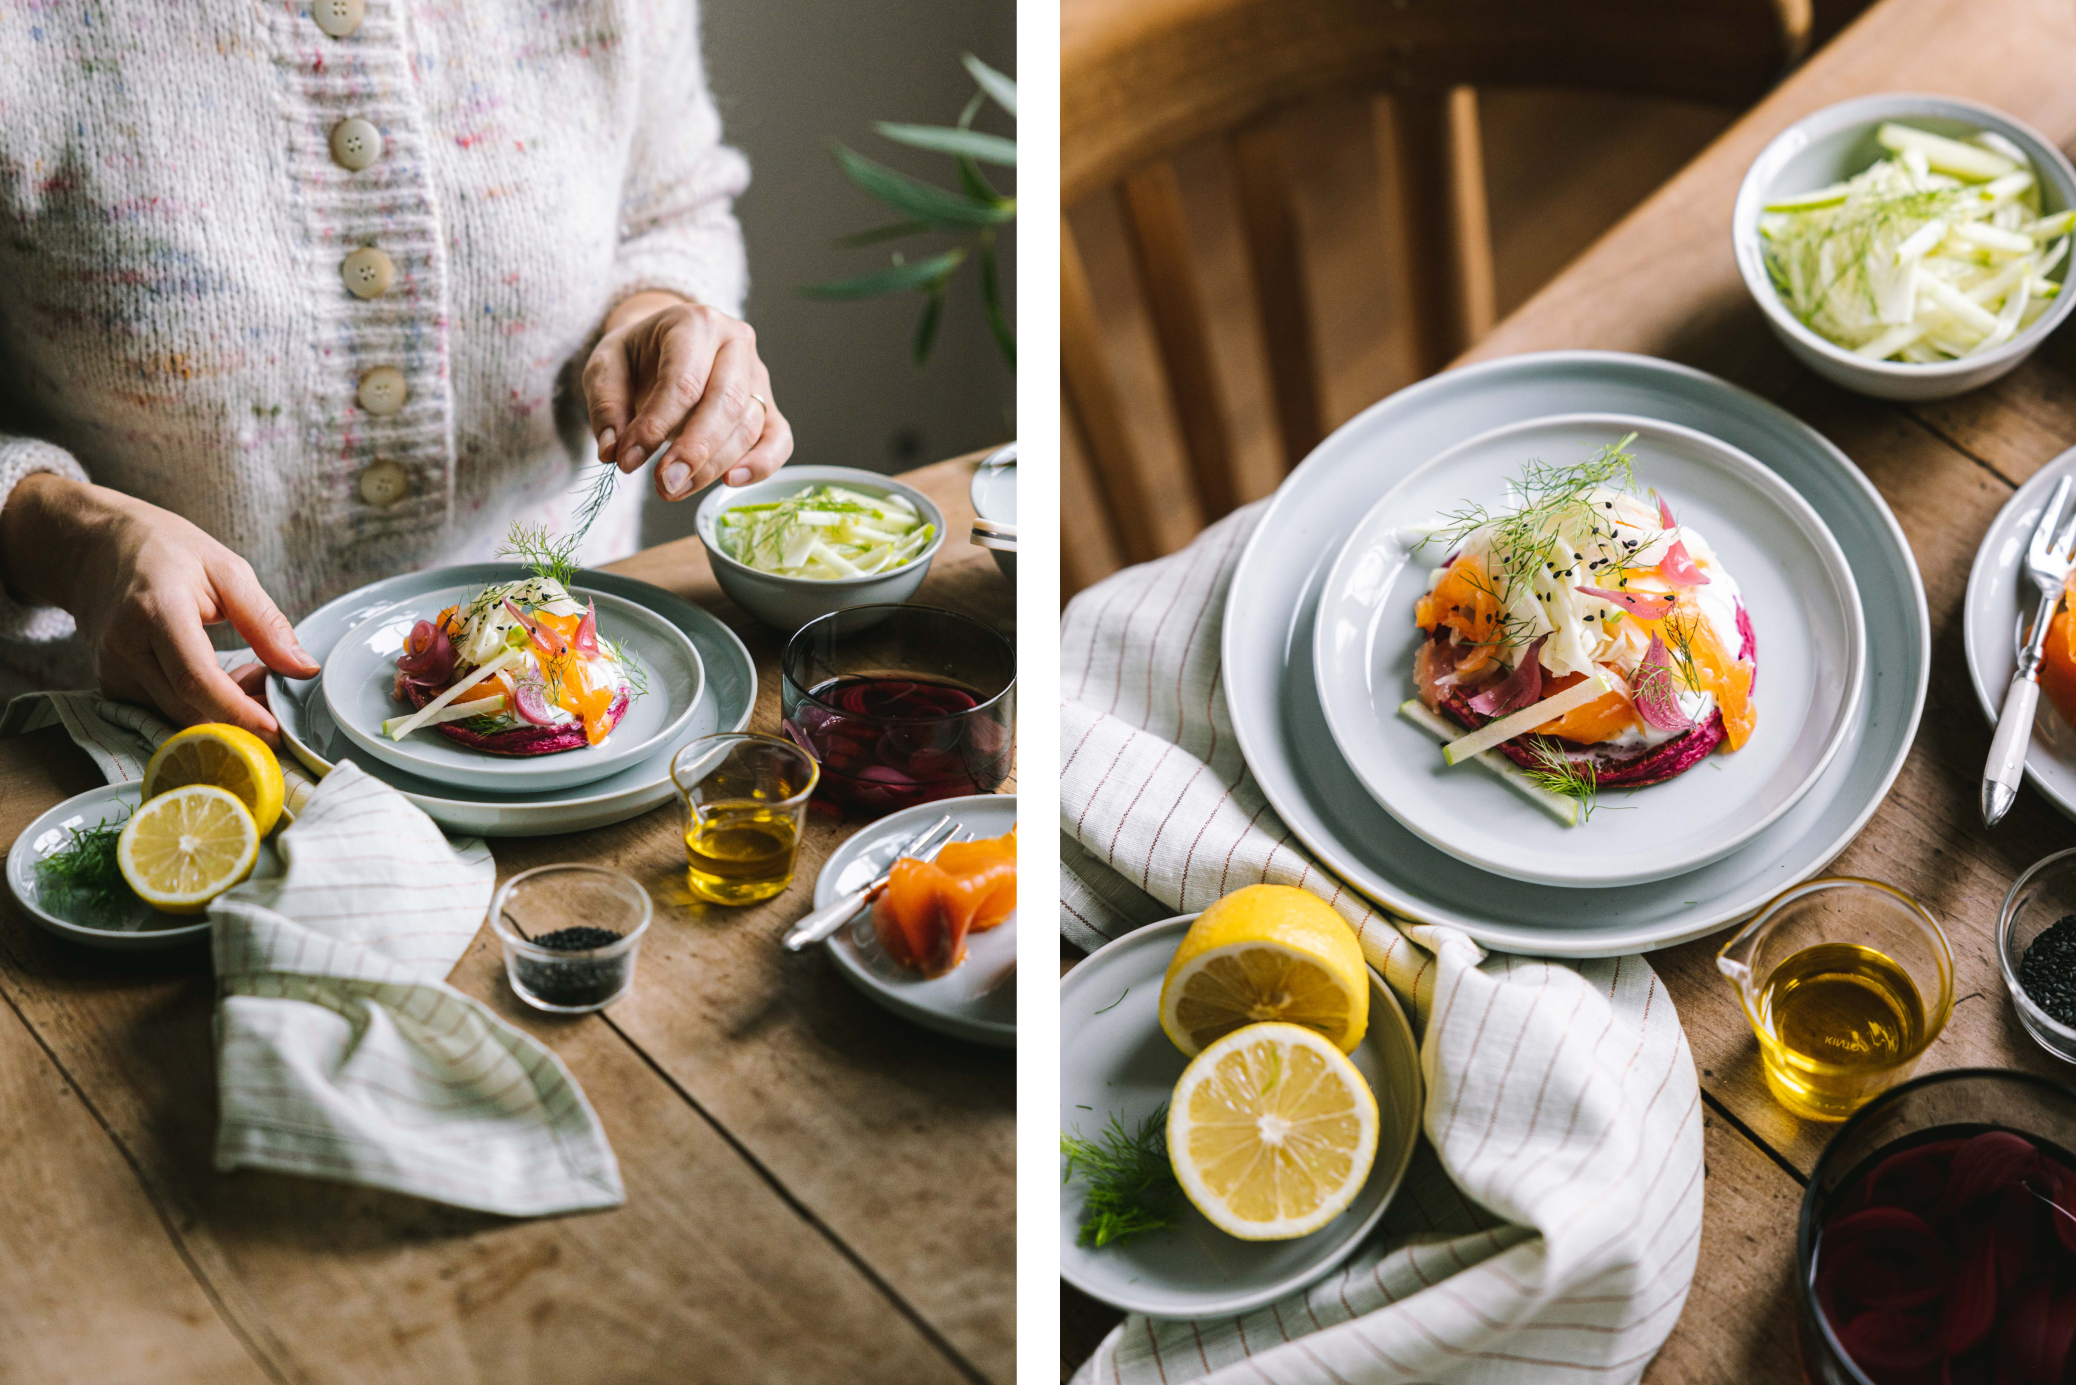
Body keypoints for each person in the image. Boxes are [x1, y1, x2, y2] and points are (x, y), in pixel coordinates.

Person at [0, 0, 791, 744]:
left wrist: (656, 314)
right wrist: (70, 541)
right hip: (151, 758)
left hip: (589, 731)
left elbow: (670, 205)